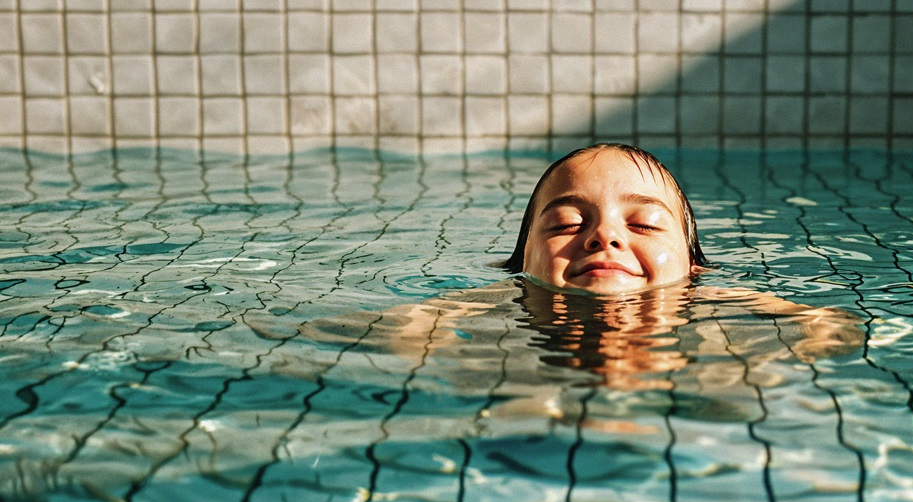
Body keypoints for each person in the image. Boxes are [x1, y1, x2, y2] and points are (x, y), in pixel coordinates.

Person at [287, 143, 864, 397]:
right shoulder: (486, 306)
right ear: (522, 264)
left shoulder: (720, 303)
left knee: (730, 392)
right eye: (566, 223)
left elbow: (831, 330)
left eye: (642, 225)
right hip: (525, 417)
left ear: (692, 266)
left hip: (687, 415)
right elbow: (357, 331)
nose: (604, 235)